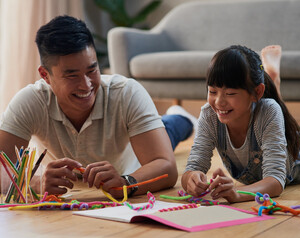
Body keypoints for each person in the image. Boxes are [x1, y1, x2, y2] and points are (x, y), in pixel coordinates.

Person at [0, 15, 197, 199]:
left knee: (170, 130)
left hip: (135, 158)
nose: (86, 85)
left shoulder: (127, 93)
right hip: (85, 169)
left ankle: (181, 118)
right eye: (72, 75)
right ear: (45, 76)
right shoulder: (30, 100)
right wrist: (36, 183)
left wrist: (125, 182)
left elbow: (167, 168)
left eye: (92, 69)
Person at [181, 45, 300, 203]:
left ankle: (273, 80)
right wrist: (192, 179)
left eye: (230, 93)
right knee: (270, 111)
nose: (219, 102)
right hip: (258, 163)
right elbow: (192, 168)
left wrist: (236, 193)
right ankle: (272, 79)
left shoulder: (268, 111)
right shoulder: (209, 114)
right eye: (212, 91)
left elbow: (274, 181)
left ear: (256, 92)